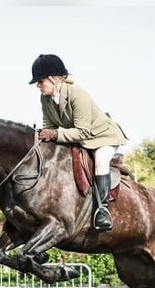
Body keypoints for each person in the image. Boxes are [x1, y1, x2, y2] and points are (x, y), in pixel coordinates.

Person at [30, 54, 127, 232]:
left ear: (53, 79)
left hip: (101, 137)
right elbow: (50, 127)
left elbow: (83, 132)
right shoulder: (45, 98)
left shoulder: (77, 93)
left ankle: (102, 210)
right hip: (76, 137)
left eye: (40, 81)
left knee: (100, 160)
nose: (38, 85)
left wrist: (53, 134)